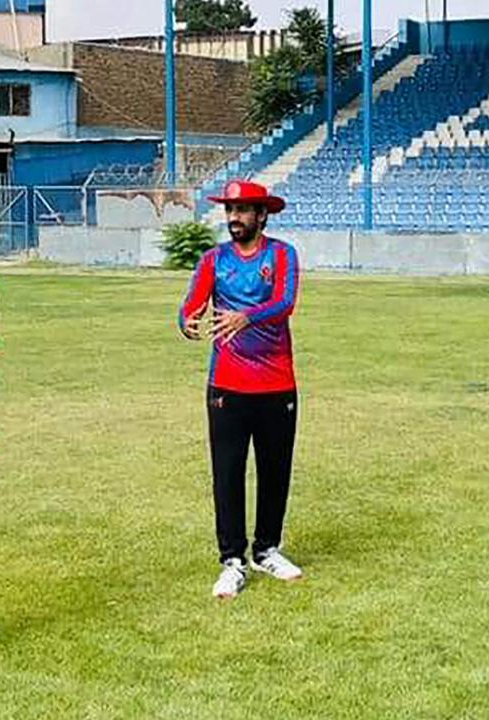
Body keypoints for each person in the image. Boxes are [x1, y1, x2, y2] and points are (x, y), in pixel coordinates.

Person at [178, 180, 303, 600]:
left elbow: (285, 302)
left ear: (262, 215)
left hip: (277, 382)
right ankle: (232, 559)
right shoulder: (213, 260)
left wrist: (246, 317)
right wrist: (187, 323)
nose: (234, 218)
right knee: (227, 473)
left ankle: (267, 549)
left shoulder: (282, 254)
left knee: (275, 469)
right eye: (230, 210)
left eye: (243, 210)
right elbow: (189, 305)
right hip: (226, 385)